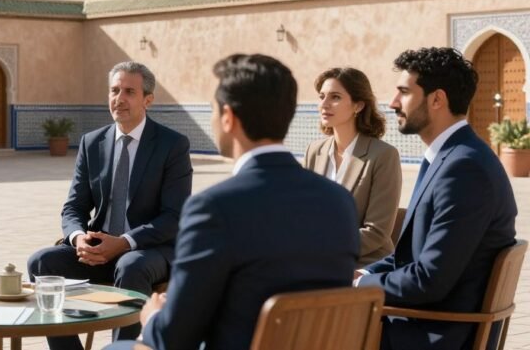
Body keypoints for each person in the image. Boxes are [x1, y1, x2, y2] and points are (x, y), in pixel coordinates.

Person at [125, 54, 358, 350]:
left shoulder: (213, 208)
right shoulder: (340, 201)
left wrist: (153, 317)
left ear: (228, 117)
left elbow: (174, 338)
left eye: (212, 109)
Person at [357, 47, 517, 350]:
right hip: (426, 324)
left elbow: (429, 280)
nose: (393, 103)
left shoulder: (464, 168)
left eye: (404, 92)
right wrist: (365, 273)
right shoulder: (452, 156)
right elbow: (413, 256)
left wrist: (359, 286)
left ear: (437, 99)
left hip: (433, 334)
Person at [28, 61, 192, 349]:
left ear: (148, 100)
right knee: (41, 262)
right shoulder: (92, 143)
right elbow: (74, 207)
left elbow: (174, 216)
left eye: (129, 91)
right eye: (114, 90)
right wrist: (78, 238)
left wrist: (125, 242)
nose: (119, 98)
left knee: (130, 265)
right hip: (98, 250)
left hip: (148, 251)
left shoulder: (172, 145)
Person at [303, 67, 403, 266]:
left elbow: (376, 232)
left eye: (335, 97)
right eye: (322, 96)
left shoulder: (383, 155)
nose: (324, 104)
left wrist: (323, 250)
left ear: (358, 105)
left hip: (364, 264)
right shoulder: (314, 151)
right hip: (315, 261)